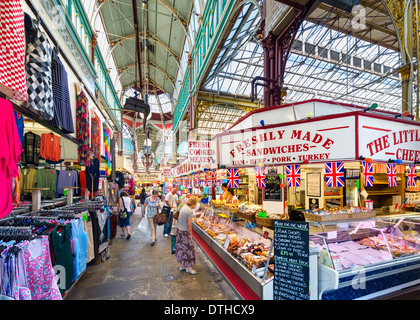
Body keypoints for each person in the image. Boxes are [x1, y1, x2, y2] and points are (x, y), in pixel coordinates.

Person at [175, 196, 198, 274]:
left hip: (179, 230)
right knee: (188, 249)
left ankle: (182, 265)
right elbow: (189, 225)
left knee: (181, 248)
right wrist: (190, 234)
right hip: (184, 231)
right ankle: (188, 267)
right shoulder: (189, 211)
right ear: (194, 204)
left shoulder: (184, 206)